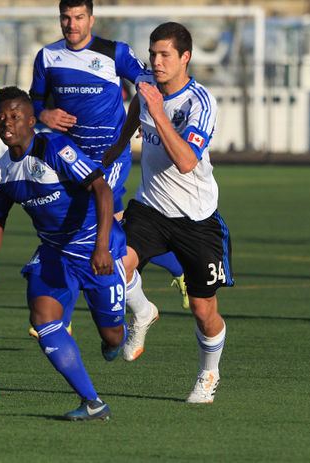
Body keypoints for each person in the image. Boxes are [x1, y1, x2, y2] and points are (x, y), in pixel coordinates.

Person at [0, 87, 127, 420]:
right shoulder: (2, 173)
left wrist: (101, 246)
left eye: (15, 116)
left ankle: (117, 336)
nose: (6, 124)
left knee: (112, 336)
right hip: (54, 253)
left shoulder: (53, 147)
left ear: (32, 120)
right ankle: (92, 402)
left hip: (93, 249)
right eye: (1, 118)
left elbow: (101, 189)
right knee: (43, 319)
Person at [29, 0, 189, 314]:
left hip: (109, 157)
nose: (71, 24)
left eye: (78, 17)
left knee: (87, 224)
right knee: (115, 229)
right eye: (66, 17)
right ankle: (178, 267)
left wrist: (151, 116)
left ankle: (63, 310)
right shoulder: (47, 56)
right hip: (71, 160)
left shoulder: (114, 52)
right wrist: (44, 114)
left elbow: (146, 81)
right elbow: (33, 99)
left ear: (91, 19)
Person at [106, 22, 234, 403]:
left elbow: (186, 162)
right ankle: (143, 312)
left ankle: (208, 374)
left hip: (197, 219)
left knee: (202, 309)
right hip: (150, 208)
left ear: (185, 58)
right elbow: (137, 109)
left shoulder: (200, 103)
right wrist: (114, 150)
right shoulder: (147, 86)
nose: (156, 62)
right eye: (153, 53)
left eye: (165, 55)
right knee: (115, 262)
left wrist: (160, 112)